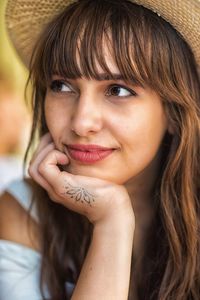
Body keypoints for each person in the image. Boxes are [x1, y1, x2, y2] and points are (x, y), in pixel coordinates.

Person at [0, 0, 199, 299]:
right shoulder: (24, 213)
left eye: (118, 90)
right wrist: (111, 222)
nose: (81, 122)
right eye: (62, 86)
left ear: (172, 112)